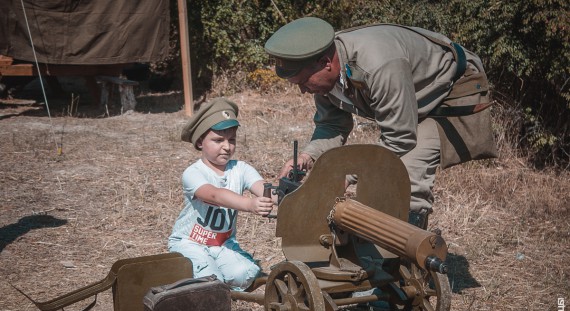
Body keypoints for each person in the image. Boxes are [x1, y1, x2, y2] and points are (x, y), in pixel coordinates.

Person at [264, 17, 497, 229]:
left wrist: (344, 175)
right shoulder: (325, 73)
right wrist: (308, 156)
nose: (304, 91)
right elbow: (332, 126)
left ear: (326, 62)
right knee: (380, 176)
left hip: (446, 95)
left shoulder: (378, 64)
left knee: (405, 176)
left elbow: (400, 137)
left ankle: (408, 261)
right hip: (412, 99)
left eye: (304, 81)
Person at [168, 98, 273, 290]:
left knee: (245, 275)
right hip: (191, 243)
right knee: (210, 282)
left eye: (231, 140)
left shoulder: (241, 168)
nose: (227, 146)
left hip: (222, 243)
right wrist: (250, 204)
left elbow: (264, 189)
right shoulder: (193, 173)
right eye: (218, 140)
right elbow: (215, 195)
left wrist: (282, 195)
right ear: (200, 142)